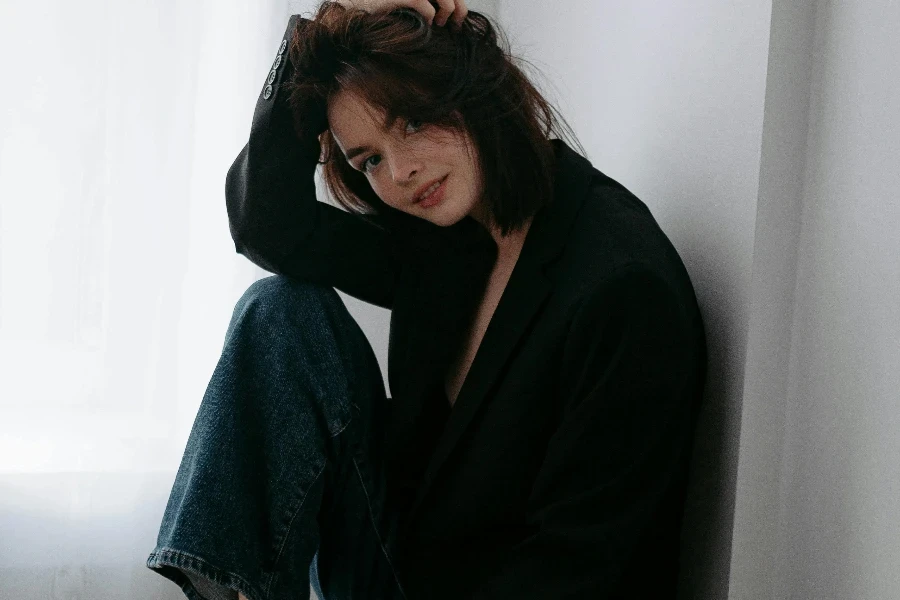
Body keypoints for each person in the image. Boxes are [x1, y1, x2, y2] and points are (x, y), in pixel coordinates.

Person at [146, 1, 708, 599]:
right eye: (370, 160)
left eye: (413, 121)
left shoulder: (620, 288)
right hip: (400, 562)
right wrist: (329, 23)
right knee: (278, 311)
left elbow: (579, 570)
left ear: (474, 84)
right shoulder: (446, 239)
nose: (401, 174)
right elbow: (266, 224)